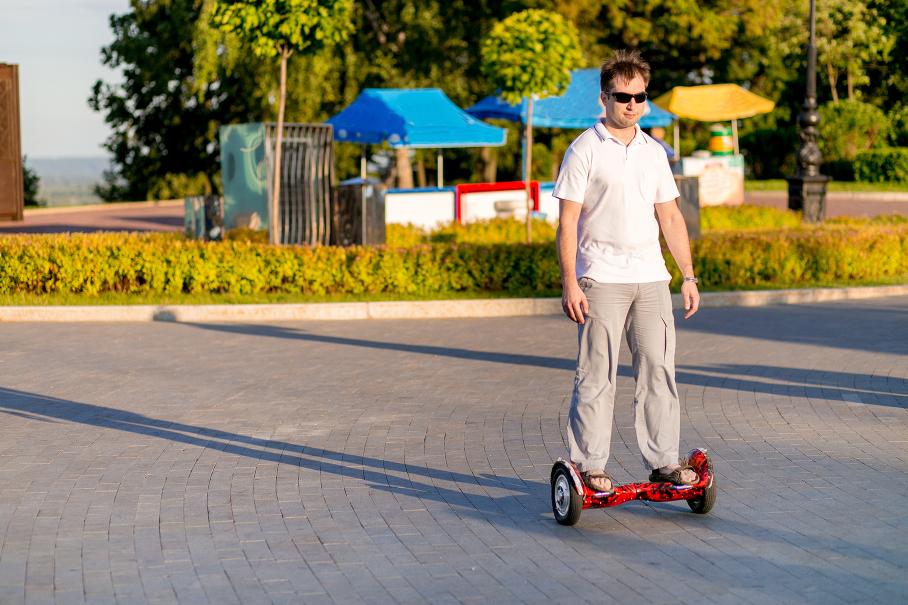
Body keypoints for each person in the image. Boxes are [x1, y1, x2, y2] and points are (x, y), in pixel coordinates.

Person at [553, 49, 700, 494]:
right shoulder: (583, 150)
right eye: (623, 96)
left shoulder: (654, 151)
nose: (632, 104)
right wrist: (569, 282)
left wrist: (688, 276)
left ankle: (664, 462)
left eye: (640, 96)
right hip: (599, 278)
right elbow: (567, 222)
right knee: (597, 375)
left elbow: (671, 218)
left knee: (659, 369)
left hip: (652, 278)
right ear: (605, 98)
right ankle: (591, 465)